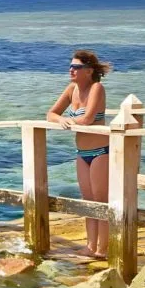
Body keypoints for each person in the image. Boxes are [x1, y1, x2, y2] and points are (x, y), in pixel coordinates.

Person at [47, 49, 112, 258]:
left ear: (89, 70)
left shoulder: (97, 88)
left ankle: (103, 248)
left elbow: (88, 119)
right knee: (87, 200)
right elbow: (51, 113)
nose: (71, 70)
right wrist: (61, 120)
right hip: (82, 152)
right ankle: (90, 245)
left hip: (101, 152)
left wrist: (70, 120)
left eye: (76, 67)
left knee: (101, 200)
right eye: (71, 66)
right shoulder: (71, 89)